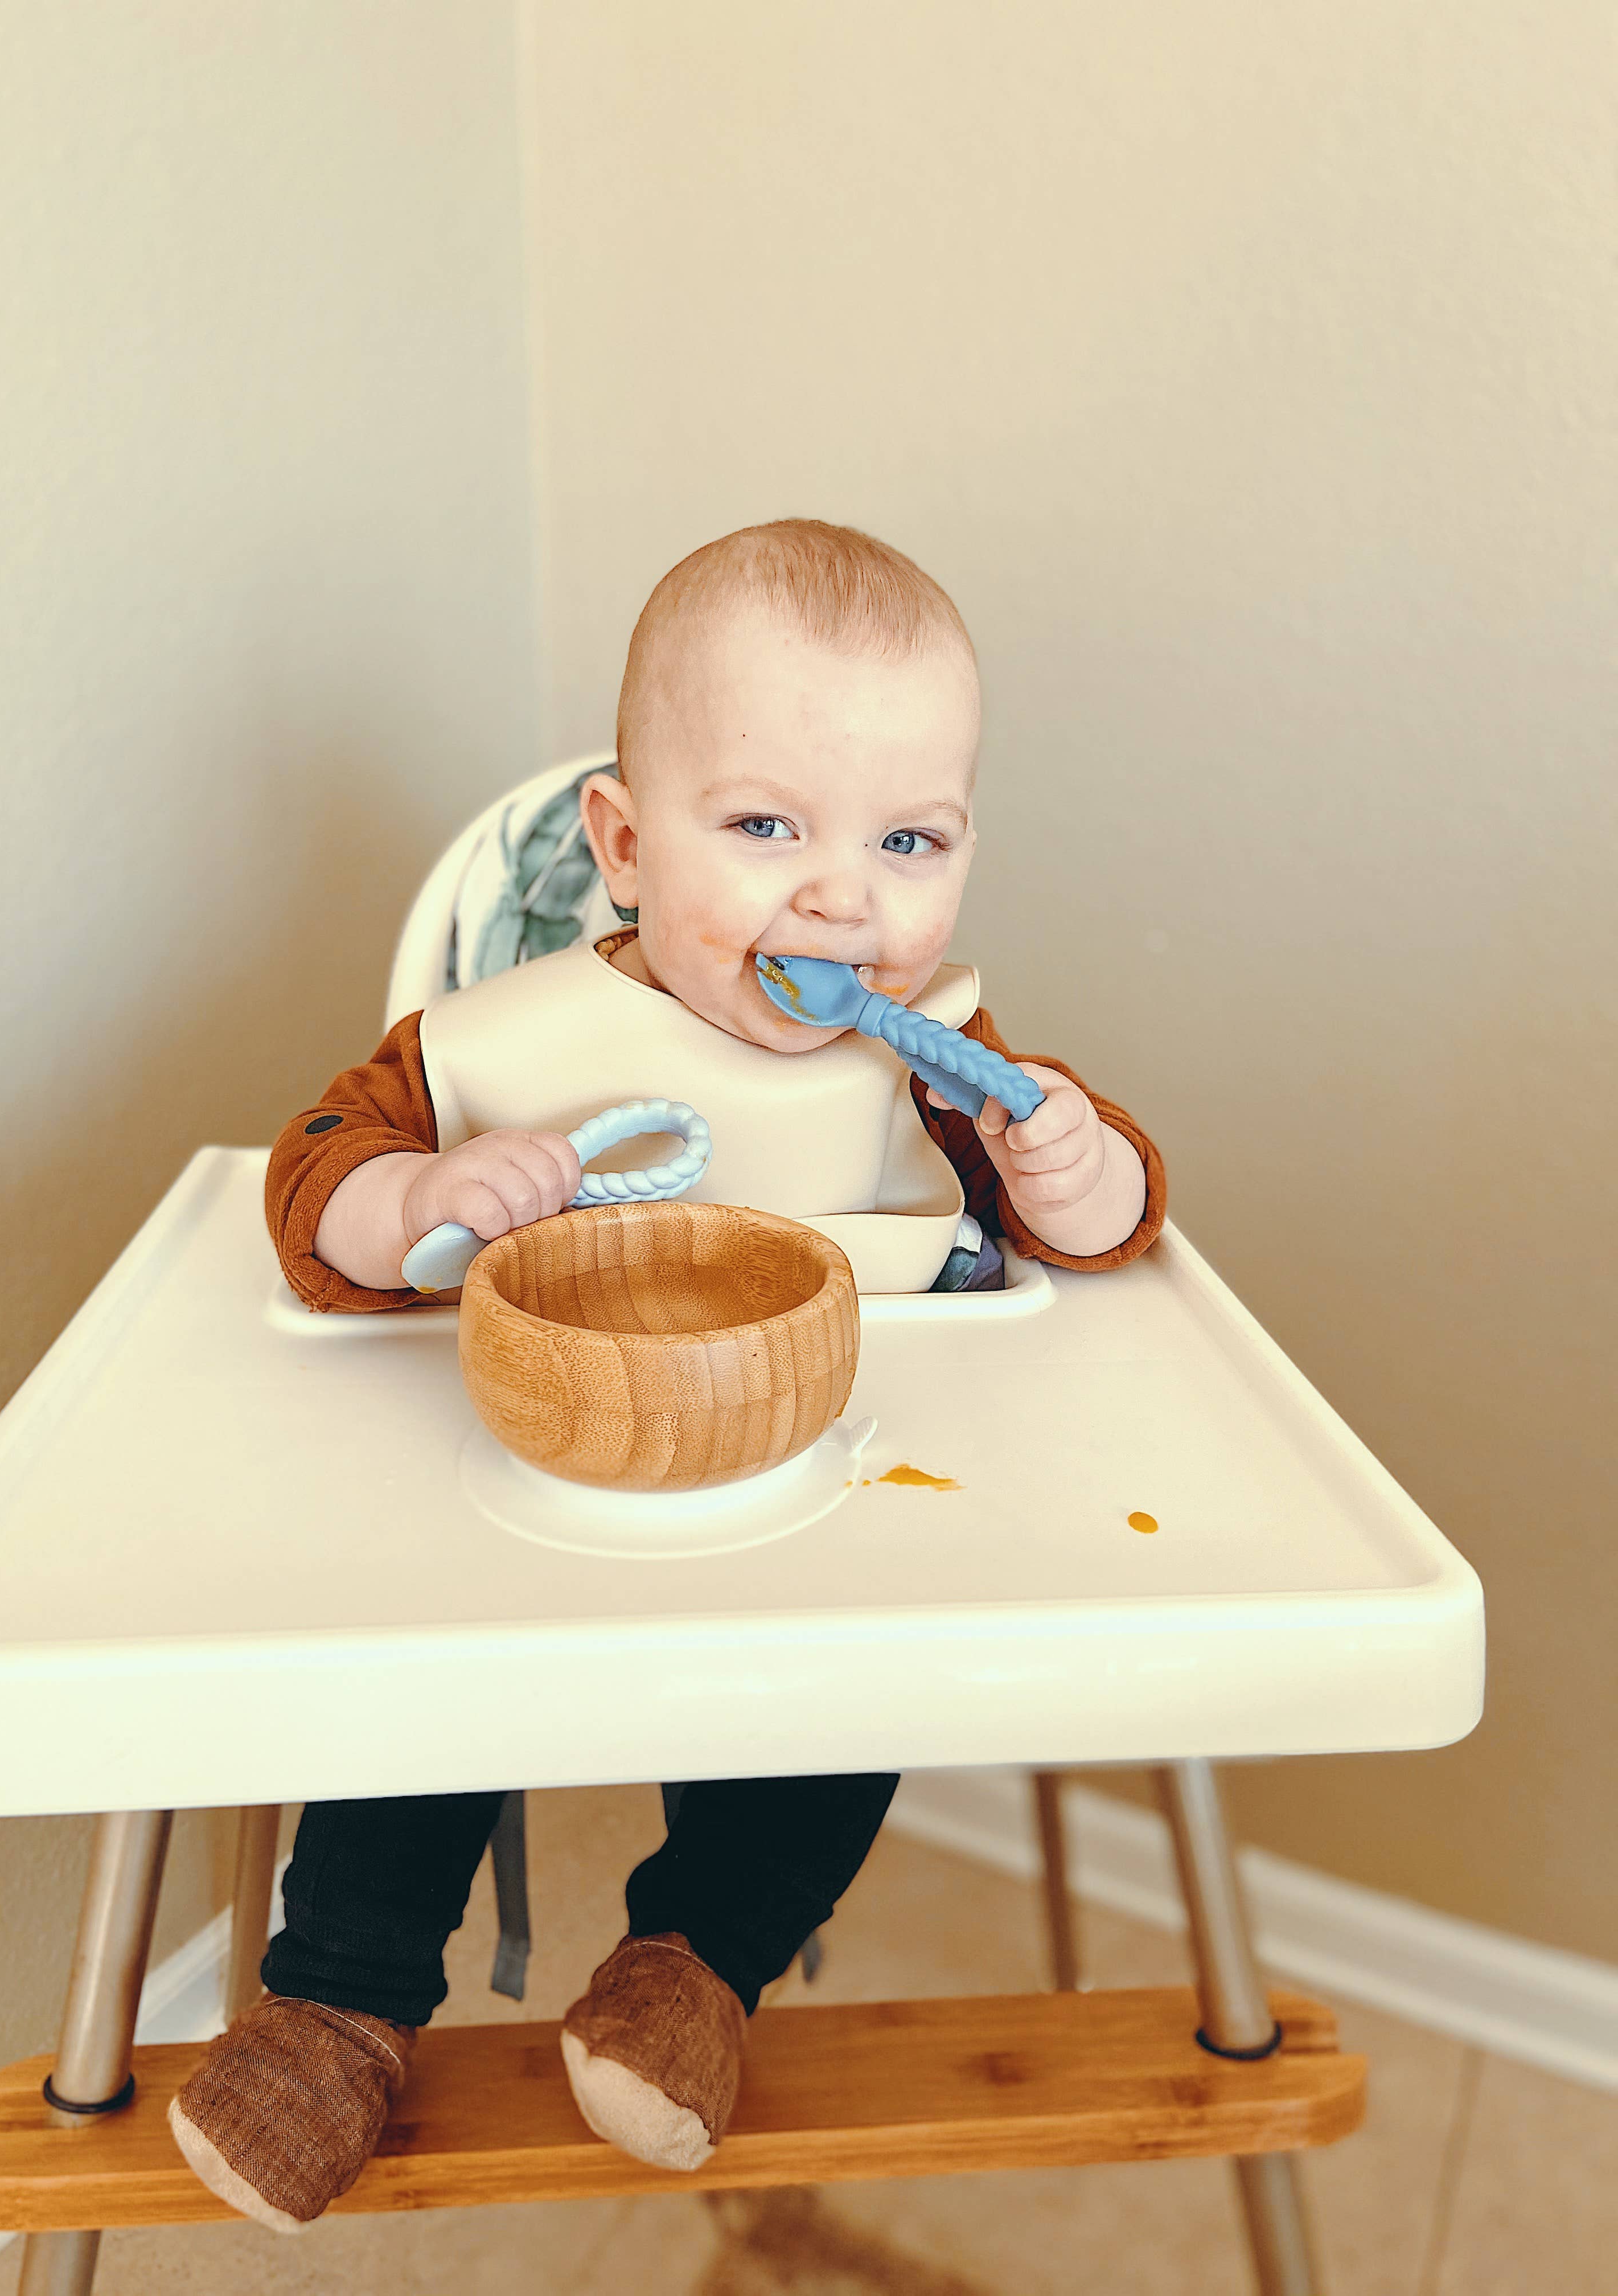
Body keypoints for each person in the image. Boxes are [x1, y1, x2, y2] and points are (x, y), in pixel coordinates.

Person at [170, 519, 1165, 2231]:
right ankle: (335, 2002)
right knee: (428, 1662)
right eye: (766, 826)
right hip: (529, 1475)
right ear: (625, 847)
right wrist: (414, 1196)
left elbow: (1103, 1221)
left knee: (857, 1691)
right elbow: (312, 1172)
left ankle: (697, 1963)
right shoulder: (503, 1046)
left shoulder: (941, 1068)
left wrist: (1088, 1178)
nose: (845, 896)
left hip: (809, 1487)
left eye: (909, 839)